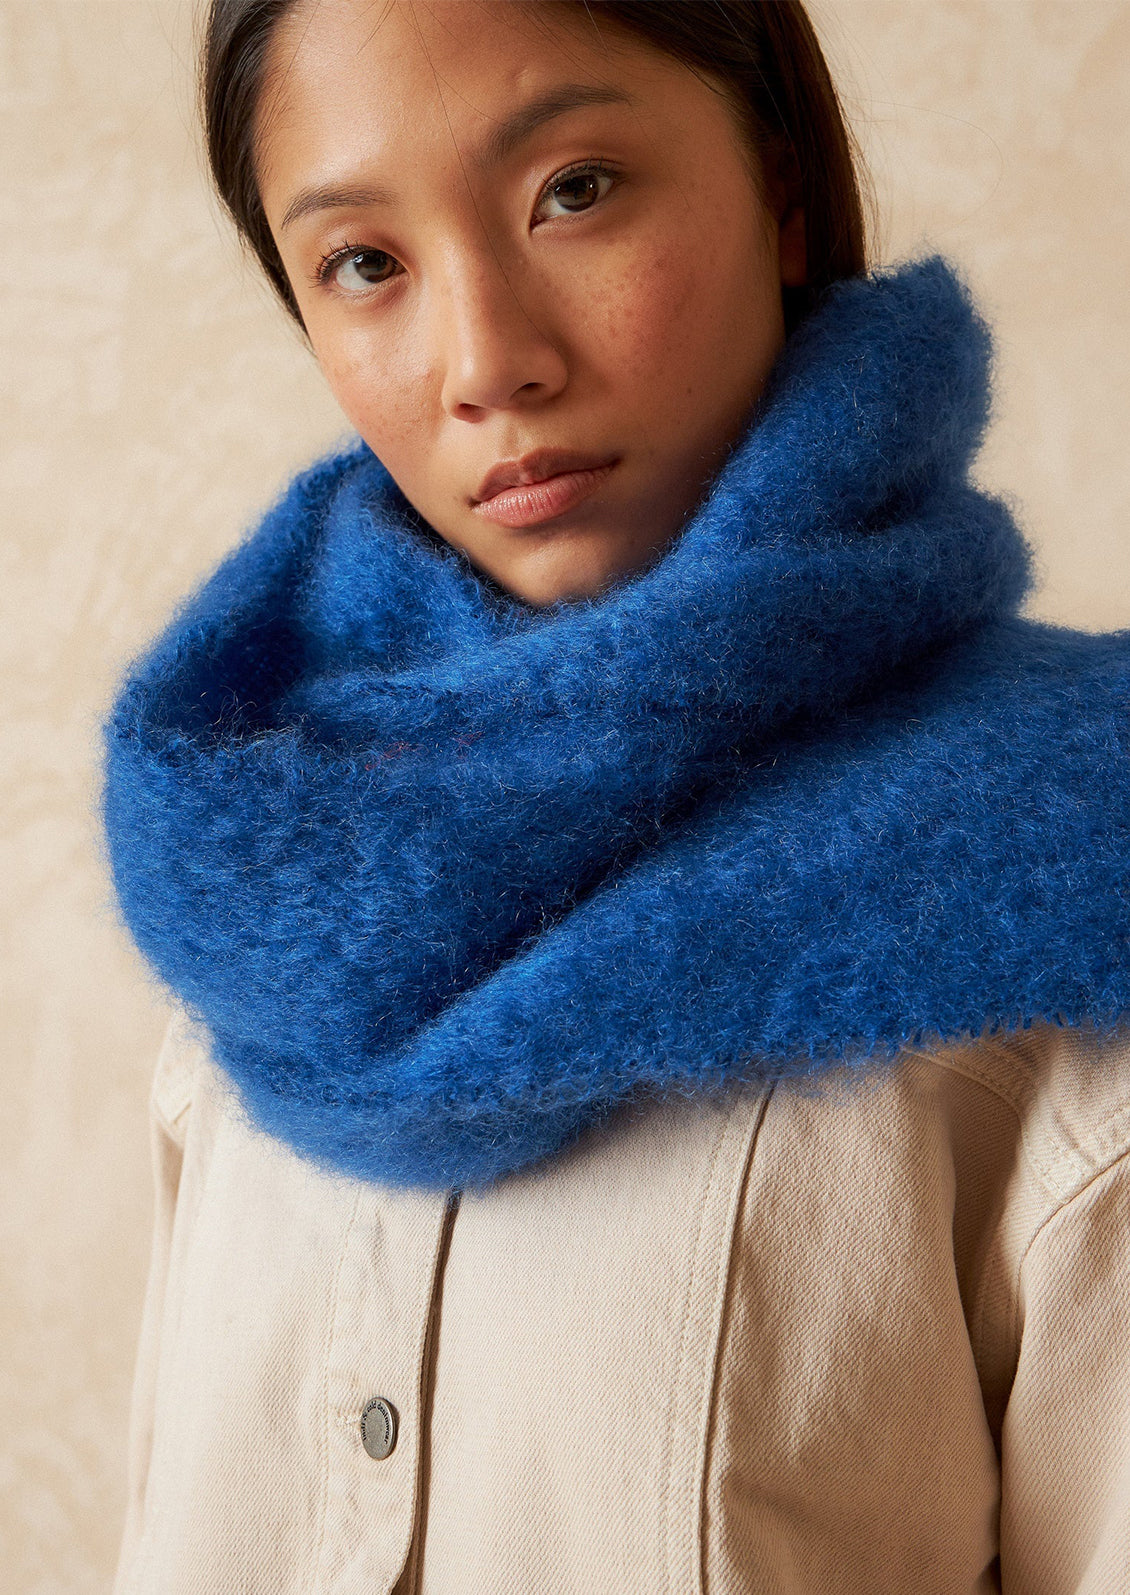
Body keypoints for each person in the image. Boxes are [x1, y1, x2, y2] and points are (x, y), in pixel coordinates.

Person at [101, 2, 1130, 1590]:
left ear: (777, 187)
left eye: (572, 189)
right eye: (364, 263)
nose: (487, 362)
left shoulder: (1079, 863)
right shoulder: (254, 891)